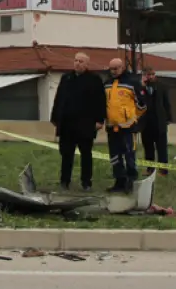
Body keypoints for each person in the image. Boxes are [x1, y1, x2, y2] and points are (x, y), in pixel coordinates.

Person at [49, 51, 106, 191]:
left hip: (86, 124)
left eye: (81, 61)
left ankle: (86, 182)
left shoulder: (94, 80)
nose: (77, 63)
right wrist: (55, 117)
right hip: (67, 125)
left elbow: (101, 101)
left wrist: (100, 120)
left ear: (87, 64)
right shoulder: (66, 78)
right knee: (66, 155)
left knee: (86, 154)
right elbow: (59, 99)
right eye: (76, 60)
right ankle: (64, 181)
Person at [103, 57, 146, 194]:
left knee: (129, 154)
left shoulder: (132, 82)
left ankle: (131, 181)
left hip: (128, 128)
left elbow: (142, 104)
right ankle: (119, 181)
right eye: (111, 69)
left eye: (116, 68)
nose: (113, 71)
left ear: (122, 67)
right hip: (111, 126)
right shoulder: (107, 84)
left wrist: (133, 118)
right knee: (115, 156)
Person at [139, 68, 174, 176]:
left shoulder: (162, 86)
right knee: (148, 147)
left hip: (159, 122)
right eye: (148, 74)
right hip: (146, 122)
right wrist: (141, 86)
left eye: (152, 74)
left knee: (161, 148)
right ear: (144, 75)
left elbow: (166, 103)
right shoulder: (141, 87)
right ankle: (150, 169)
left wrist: (168, 118)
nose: (151, 77)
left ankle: (163, 170)